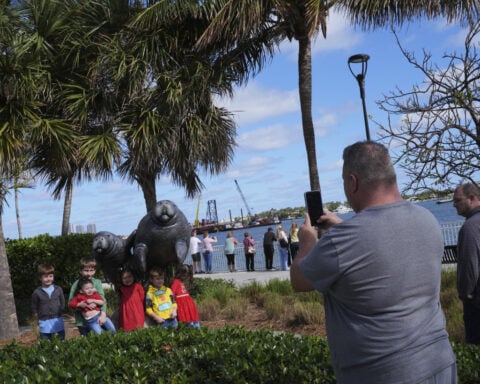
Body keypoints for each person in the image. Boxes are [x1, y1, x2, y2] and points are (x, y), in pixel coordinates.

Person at [290, 141, 456, 384]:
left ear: (353, 182)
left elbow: (299, 281)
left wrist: (307, 241)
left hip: (384, 373)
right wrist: (342, 227)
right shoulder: (427, 218)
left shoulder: (343, 240)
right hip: (440, 363)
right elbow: (382, 242)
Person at [453, 183, 480, 344]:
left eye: (457, 200)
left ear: (472, 198)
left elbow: (469, 267)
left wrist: (465, 294)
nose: (454, 204)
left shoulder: (470, 227)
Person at [68, 257, 108, 336]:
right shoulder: (76, 284)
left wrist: (103, 314)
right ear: (81, 271)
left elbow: (103, 300)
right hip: (82, 322)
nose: (89, 273)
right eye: (86, 270)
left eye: (91, 270)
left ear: (95, 270)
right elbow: (70, 303)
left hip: (98, 319)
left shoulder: (97, 282)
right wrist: (81, 305)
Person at [31, 264, 65, 340]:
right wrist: (37, 322)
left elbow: (62, 302)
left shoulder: (58, 289)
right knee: (46, 346)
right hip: (44, 323)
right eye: (45, 277)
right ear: (40, 278)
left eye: (50, 276)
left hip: (57, 321)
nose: (48, 279)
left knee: (61, 343)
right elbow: (34, 308)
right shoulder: (37, 292)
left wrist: (60, 311)